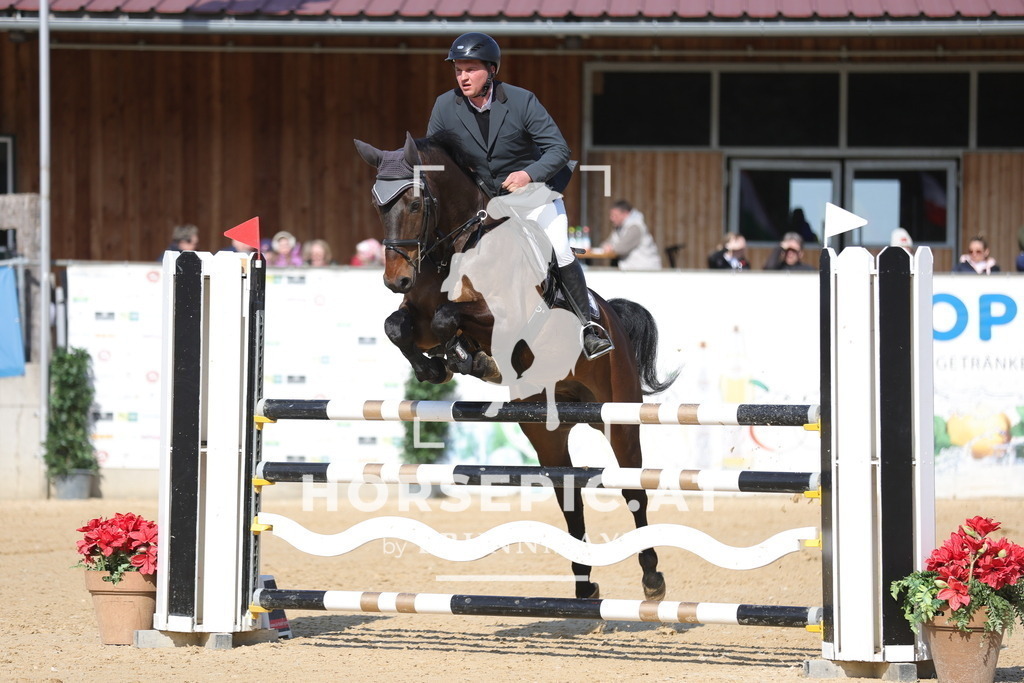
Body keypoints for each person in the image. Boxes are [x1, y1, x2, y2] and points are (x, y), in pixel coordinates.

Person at [426, 32, 612, 360]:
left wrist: (528, 174)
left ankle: (588, 326)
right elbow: (435, 157)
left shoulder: (521, 100)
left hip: (533, 196)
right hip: (482, 203)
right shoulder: (445, 106)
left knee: (559, 247)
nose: (463, 77)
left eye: (470, 69)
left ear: (491, 70)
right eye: (458, 70)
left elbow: (558, 149)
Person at [598, 200, 661, 270]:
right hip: (631, 268)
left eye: (615, 215)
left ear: (625, 214)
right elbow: (607, 242)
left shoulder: (635, 227)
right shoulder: (619, 227)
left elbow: (621, 249)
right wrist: (606, 246)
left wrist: (611, 247)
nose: (611, 218)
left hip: (644, 270)